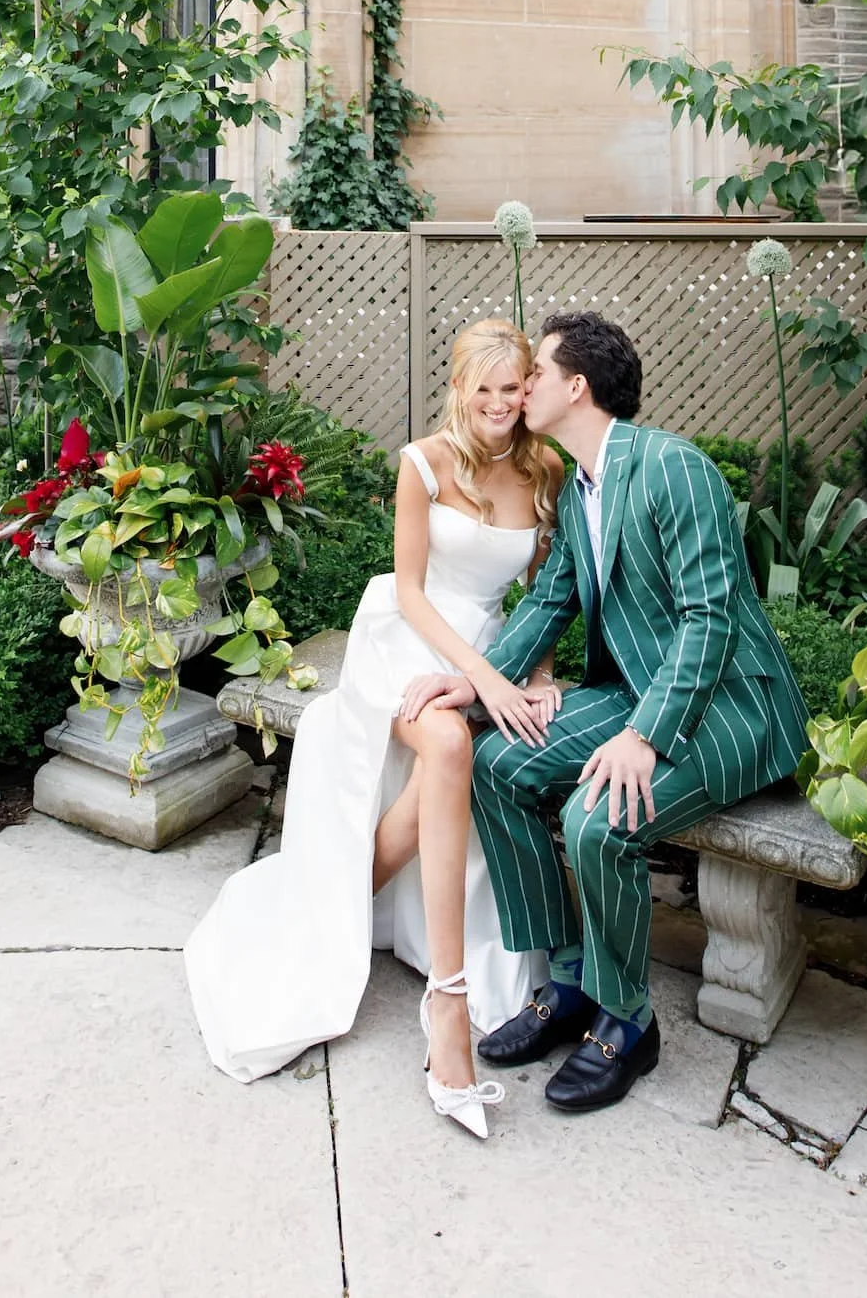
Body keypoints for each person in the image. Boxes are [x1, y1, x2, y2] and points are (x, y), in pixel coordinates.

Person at [408, 311, 809, 1115]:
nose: (523, 389)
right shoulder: (579, 484)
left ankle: (626, 1020)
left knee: (599, 817)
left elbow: (710, 619)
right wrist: (479, 684)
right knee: (495, 766)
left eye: (536, 376)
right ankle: (565, 980)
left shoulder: (672, 467)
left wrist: (643, 736)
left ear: (574, 387)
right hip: (639, 691)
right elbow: (551, 599)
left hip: (731, 706)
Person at [185, 318, 562, 1137]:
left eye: (512, 389)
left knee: (448, 760)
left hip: (488, 645)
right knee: (451, 740)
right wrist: (484, 681)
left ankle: (339, 904)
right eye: (483, 389)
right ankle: (448, 1009)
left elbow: (545, 592)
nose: (498, 405)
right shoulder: (421, 463)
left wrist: (529, 673)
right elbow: (416, 592)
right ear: (458, 390)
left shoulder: (545, 467)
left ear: (528, 389)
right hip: (407, 635)